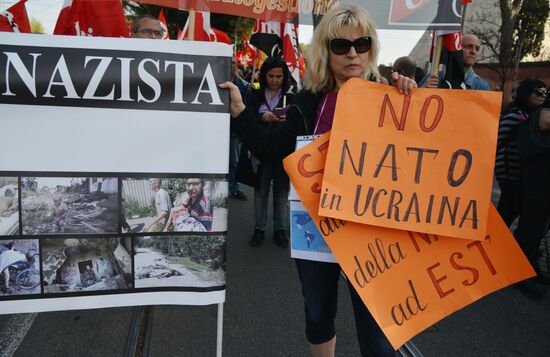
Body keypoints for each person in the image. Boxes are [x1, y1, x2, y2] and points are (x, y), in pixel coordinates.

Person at [220, 5, 415, 356]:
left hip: (372, 234)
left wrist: (414, 98)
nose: (352, 53)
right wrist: (240, 111)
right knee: (318, 315)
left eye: (362, 43)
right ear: (326, 50)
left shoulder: (393, 97)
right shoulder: (308, 102)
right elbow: (269, 148)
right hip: (316, 231)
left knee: (378, 334)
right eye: (341, 45)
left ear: (372, 48)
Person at [247, 57, 295, 248]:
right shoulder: (255, 94)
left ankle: (280, 230)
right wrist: (261, 116)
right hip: (260, 150)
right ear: (264, 75)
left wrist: (287, 119)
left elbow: (298, 121)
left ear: (285, 77)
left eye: (279, 76)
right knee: (261, 191)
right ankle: (259, 229)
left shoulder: (291, 96)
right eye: (271, 76)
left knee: (281, 192)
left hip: (283, 150)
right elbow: (246, 117)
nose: (275, 80)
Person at [495, 78, 547, 227]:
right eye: (538, 92)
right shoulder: (516, 115)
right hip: (509, 172)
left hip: (521, 175)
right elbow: (499, 139)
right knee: (507, 211)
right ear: (526, 94)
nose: (542, 95)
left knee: (511, 211)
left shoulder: (531, 115)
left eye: (545, 92)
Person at [514, 94, 550, 296]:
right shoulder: (542, 113)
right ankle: (519, 272)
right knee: (530, 228)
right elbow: (545, 120)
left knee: (538, 228)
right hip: (536, 184)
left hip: (542, 185)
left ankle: (529, 266)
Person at [422, 34, 490, 90]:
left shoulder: (482, 87)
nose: (473, 52)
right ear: (457, 49)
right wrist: (423, 88)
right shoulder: (432, 78)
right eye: (468, 46)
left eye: (477, 49)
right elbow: (415, 103)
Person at [229, 57, 249, 201]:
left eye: (233, 62)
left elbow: (258, 87)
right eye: (228, 61)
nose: (231, 64)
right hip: (217, 128)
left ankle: (235, 188)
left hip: (235, 128)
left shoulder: (243, 84)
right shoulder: (215, 79)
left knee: (234, 160)